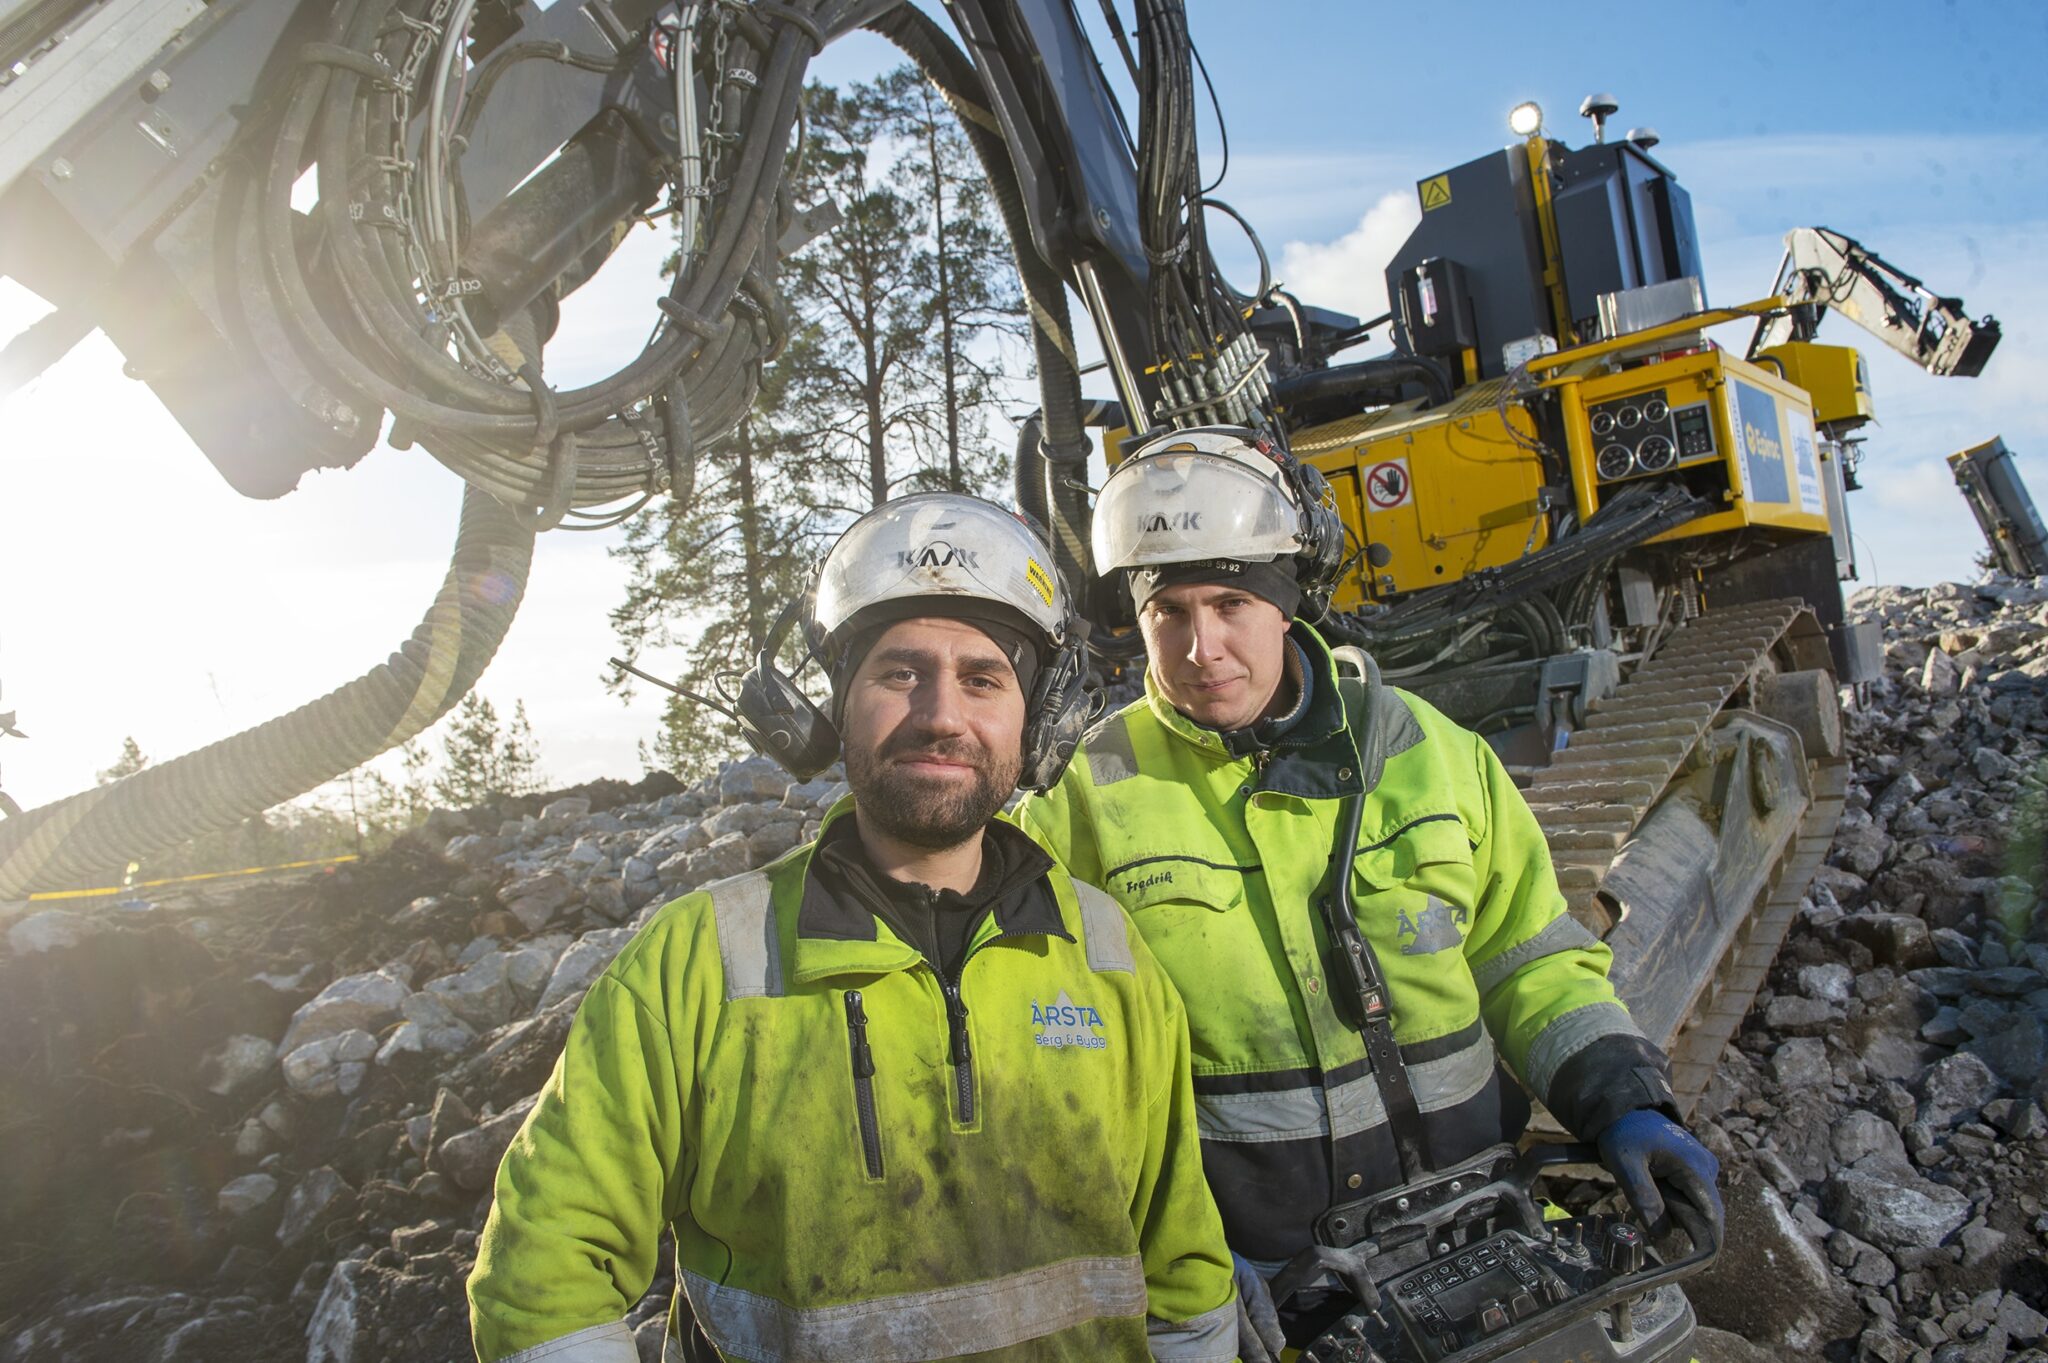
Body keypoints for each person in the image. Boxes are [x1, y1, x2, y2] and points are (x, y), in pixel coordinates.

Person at [467, 493, 1236, 1363]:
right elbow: (545, 1271)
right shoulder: (695, 963)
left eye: (983, 678)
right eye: (899, 673)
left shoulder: (1109, 954)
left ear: (1043, 725)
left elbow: (1184, 1274)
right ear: (834, 710)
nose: (941, 714)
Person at [1014, 426, 1724, 1357]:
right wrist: (1172, 1269)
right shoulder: (1084, 801)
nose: (1202, 646)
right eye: (1169, 611)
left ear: (1284, 598)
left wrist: (1623, 1095)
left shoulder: (1430, 753)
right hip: (1269, 1284)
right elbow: (1049, 1065)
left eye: (1231, 601)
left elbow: (1533, 964)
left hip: (1487, 1227)